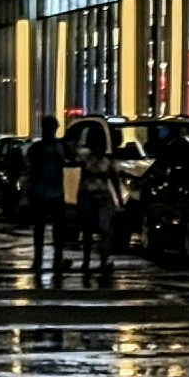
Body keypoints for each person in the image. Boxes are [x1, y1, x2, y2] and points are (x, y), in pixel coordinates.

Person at [23, 115, 69, 279]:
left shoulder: (57, 147)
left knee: (53, 229)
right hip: (44, 191)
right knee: (43, 228)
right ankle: (42, 259)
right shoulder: (39, 148)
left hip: (53, 191)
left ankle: (52, 259)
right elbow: (31, 171)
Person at [74, 117, 119, 278]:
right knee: (88, 231)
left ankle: (102, 260)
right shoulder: (86, 158)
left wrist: (118, 200)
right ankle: (88, 261)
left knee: (104, 231)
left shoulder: (106, 160)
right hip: (90, 197)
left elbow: (114, 179)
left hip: (100, 198)